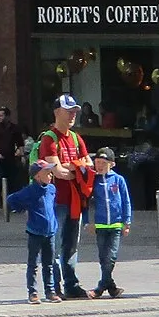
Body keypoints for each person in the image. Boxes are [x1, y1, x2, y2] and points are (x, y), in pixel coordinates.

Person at [36, 95, 95, 298]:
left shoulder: (77, 138)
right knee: (53, 244)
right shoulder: (49, 138)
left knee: (71, 245)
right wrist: (77, 168)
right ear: (56, 112)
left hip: (75, 200)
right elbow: (58, 171)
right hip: (55, 201)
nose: (73, 115)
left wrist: (74, 167)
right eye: (69, 111)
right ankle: (54, 286)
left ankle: (71, 284)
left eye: (74, 111)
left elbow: (89, 164)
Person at [7, 158, 62, 303]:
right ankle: (33, 292)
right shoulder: (30, 191)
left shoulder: (51, 189)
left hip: (50, 232)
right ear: (37, 176)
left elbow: (51, 207)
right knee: (33, 264)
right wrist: (19, 208)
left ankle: (50, 291)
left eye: (51, 172)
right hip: (35, 232)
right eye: (47, 172)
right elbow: (11, 199)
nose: (51, 175)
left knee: (49, 264)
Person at [87, 146, 132, 298]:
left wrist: (127, 222)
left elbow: (126, 201)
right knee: (102, 257)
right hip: (100, 225)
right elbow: (86, 202)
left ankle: (100, 288)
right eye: (97, 162)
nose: (99, 165)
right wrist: (88, 222)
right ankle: (112, 288)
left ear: (112, 164)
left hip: (116, 225)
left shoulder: (118, 180)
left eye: (103, 163)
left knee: (111, 256)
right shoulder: (94, 180)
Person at [0, 106, 24, 208]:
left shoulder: (14, 128)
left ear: (7, 116)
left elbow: (20, 143)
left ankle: (11, 204)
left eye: (1, 116)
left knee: (12, 181)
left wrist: (20, 152)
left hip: (10, 158)